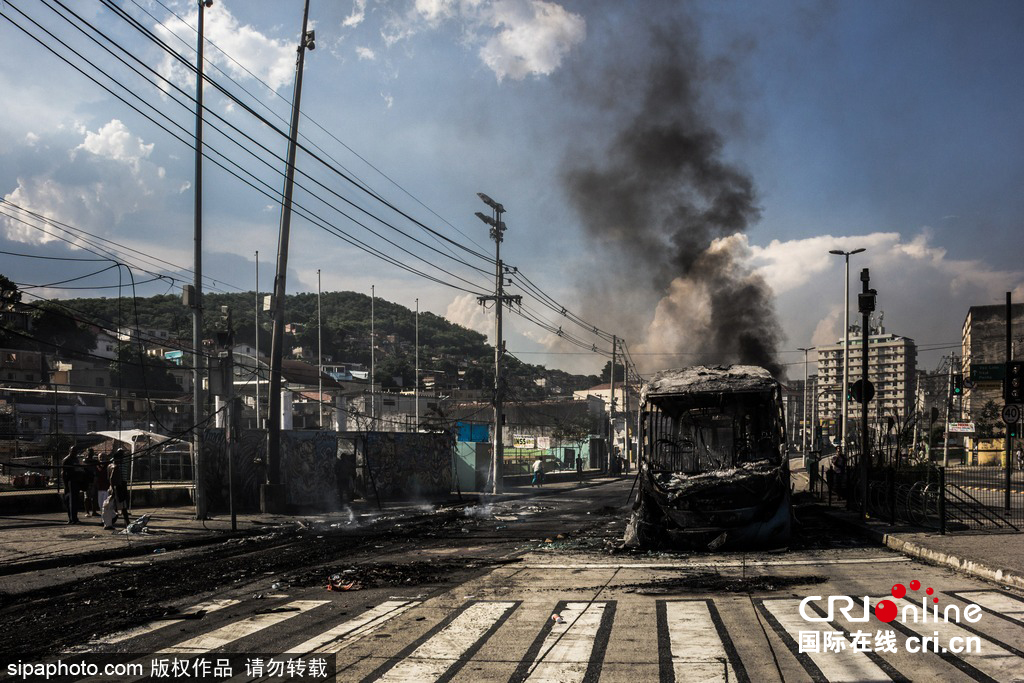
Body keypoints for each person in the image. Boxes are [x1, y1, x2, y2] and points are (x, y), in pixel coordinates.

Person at [105, 448, 130, 530]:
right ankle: (127, 522)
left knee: (113, 505)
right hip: (119, 485)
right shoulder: (116, 466)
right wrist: (113, 487)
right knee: (122, 504)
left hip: (117, 484)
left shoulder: (111, 465)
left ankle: (110, 521)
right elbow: (112, 478)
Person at [60, 446, 81, 524]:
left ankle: (74, 517)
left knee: (75, 501)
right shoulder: (67, 460)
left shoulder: (75, 459)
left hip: (76, 481)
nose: (75, 452)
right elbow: (63, 473)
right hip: (70, 482)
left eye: (76, 451)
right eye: (73, 451)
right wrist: (65, 484)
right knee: (71, 501)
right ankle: (72, 518)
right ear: (70, 451)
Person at [82, 449, 98, 517]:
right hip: (87, 480)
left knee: (94, 497)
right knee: (87, 497)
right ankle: (87, 512)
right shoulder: (85, 461)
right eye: (90, 452)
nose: (91, 453)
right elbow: (85, 462)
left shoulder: (95, 461)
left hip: (93, 479)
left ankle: (94, 511)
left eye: (92, 452)